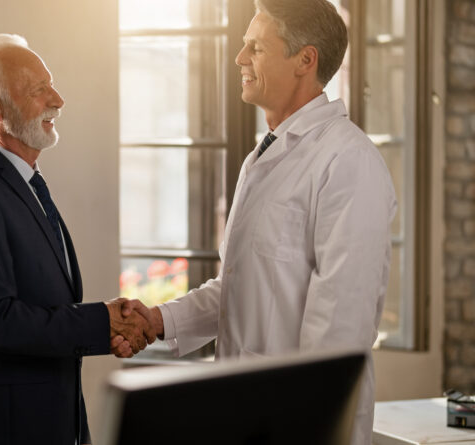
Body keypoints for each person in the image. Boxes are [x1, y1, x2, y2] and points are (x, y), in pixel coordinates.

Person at [120, 1, 396, 444]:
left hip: (301, 425)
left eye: (256, 48)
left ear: (306, 60)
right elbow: (240, 284)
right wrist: (157, 320)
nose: (239, 58)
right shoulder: (262, 156)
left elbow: (339, 332)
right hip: (247, 413)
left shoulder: (349, 161)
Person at [0, 34, 153, 445]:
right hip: (2, 431)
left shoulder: (25, 184)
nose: (58, 100)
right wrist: (102, 322)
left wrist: (104, 325)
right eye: (39, 90)